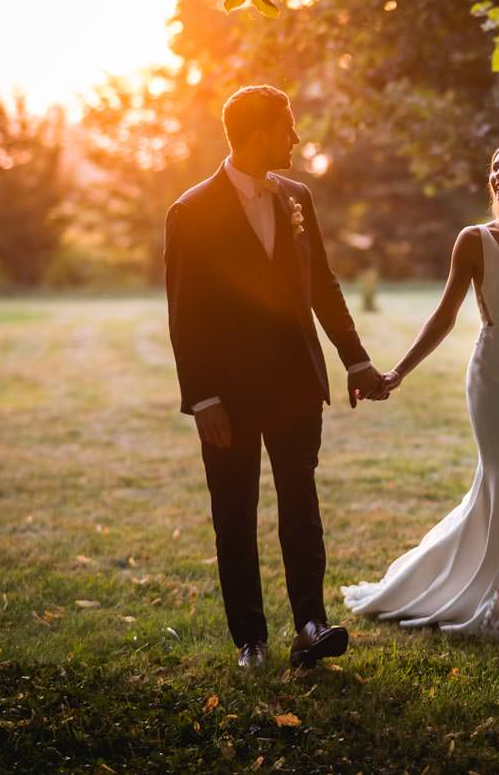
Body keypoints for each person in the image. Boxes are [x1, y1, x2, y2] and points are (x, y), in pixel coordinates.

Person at [164, 84, 389, 669]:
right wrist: (203, 397)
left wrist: (355, 359)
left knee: (301, 505)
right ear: (259, 132)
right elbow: (185, 315)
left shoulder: (297, 197)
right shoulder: (190, 211)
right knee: (234, 514)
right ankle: (251, 640)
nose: (295, 137)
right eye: (287, 126)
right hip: (228, 394)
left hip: (295, 382)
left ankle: (310, 625)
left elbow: (322, 285)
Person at [342, 139, 499, 641]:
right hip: (493, 383)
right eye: (494, 167)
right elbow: (445, 316)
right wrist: (398, 373)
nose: (498, 175)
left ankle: (490, 592)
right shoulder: (474, 241)